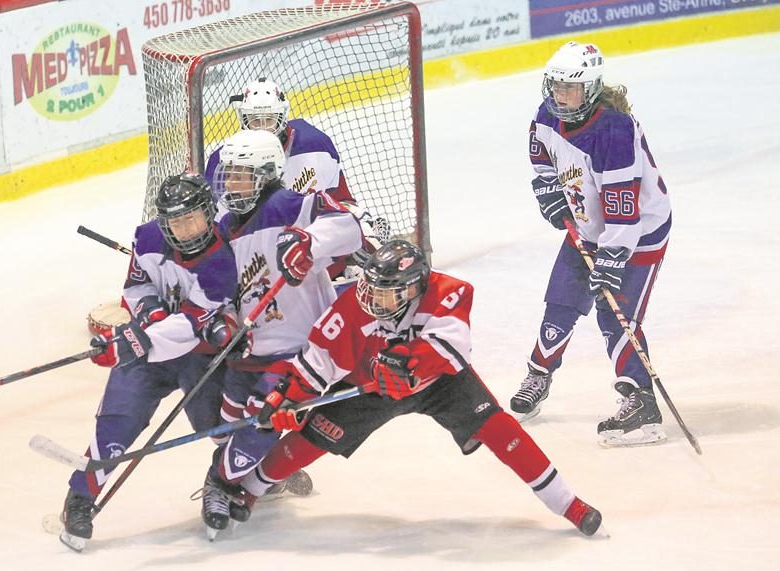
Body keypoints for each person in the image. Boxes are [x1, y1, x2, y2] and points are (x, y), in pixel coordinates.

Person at [226, 240, 604, 538]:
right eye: (371, 288)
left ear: (414, 288)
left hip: (439, 383)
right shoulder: (351, 308)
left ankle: (568, 504)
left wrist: (409, 362)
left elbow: (453, 345)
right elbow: (318, 362)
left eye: (386, 292)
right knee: (314, 436)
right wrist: (291, 397)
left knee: (498, 427)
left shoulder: (449, 291)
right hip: (369, 388)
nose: (373, 300)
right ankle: (252, 488)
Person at [60, 172, 239, 552]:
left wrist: (135, 342)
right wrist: (152, 314)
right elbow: (135, 286)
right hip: (151, 348)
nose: (186, 229)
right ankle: (79, 498)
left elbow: (193, 325)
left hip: (198, 355)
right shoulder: (148, 237)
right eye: (176, 221)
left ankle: (240, 476)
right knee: (118, 423)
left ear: (210, 213)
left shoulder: (223, 261)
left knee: (218, 426)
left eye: (193, 218)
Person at [199, 128, 363, 539]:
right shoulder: (223, 231)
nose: (231, 184)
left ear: (268, 173)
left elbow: (350, 226)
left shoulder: (289, 206)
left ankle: (218, 483)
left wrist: (308, 242)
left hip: (301, 349)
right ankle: (255, 468)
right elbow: (214, 293)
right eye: (228, 175)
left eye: (241, 175)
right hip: (250, 350)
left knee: (263, 417)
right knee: (230, 426)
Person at [509, 41, 672, 448]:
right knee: (562, 298)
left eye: (570, 88)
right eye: (556, 86)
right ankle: (538, 374)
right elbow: (540, 151)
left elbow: (623, 211)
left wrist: (612, 259)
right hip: (589, 225)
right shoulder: (548, 114)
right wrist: (547, 186)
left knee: (615, 314)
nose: (560, 96)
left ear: (592, 89)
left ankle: (642, 404)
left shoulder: (614, 131)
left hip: (639, 232)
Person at [204, 77, 389, 279]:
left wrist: (358, 236)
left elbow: (343, 201)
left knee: (360, 223)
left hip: (315, 261)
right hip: (261, 272)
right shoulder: (226, 160)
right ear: (243, 118)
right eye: (256, 120)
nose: (264, 127)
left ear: (282, 115)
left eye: (270, 119)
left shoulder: (314, 143)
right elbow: (222, 231)